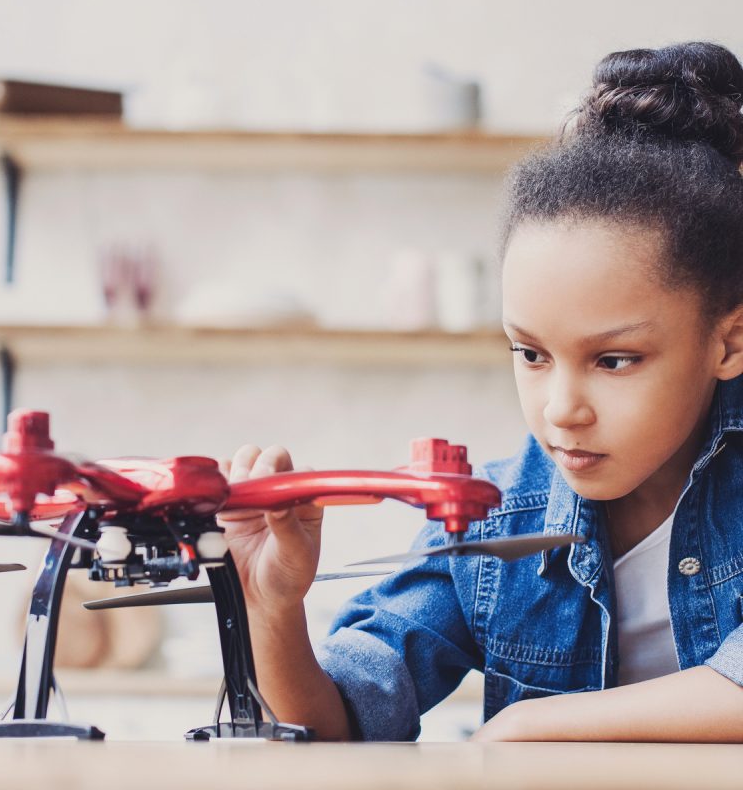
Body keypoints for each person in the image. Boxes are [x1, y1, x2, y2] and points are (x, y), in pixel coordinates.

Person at [218, 41, 743, 742]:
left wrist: (532, 724)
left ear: (729, 342)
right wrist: (270, 608)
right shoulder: (492, 523)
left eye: (614, 360)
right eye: (530, 353)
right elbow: (336, 729)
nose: (561, 409)